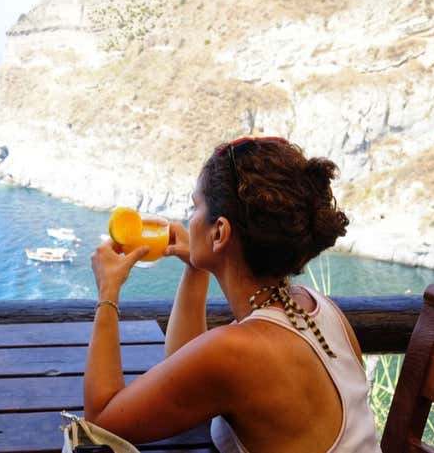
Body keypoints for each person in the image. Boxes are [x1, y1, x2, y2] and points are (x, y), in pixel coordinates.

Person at [85, 137, 380, 452]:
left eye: (196, 207)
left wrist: (108, 292)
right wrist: (197, 267)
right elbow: (183, 377)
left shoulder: (236, 350)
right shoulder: (321, 308)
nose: (189, 220)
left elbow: (102, 420)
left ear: (220, 232)